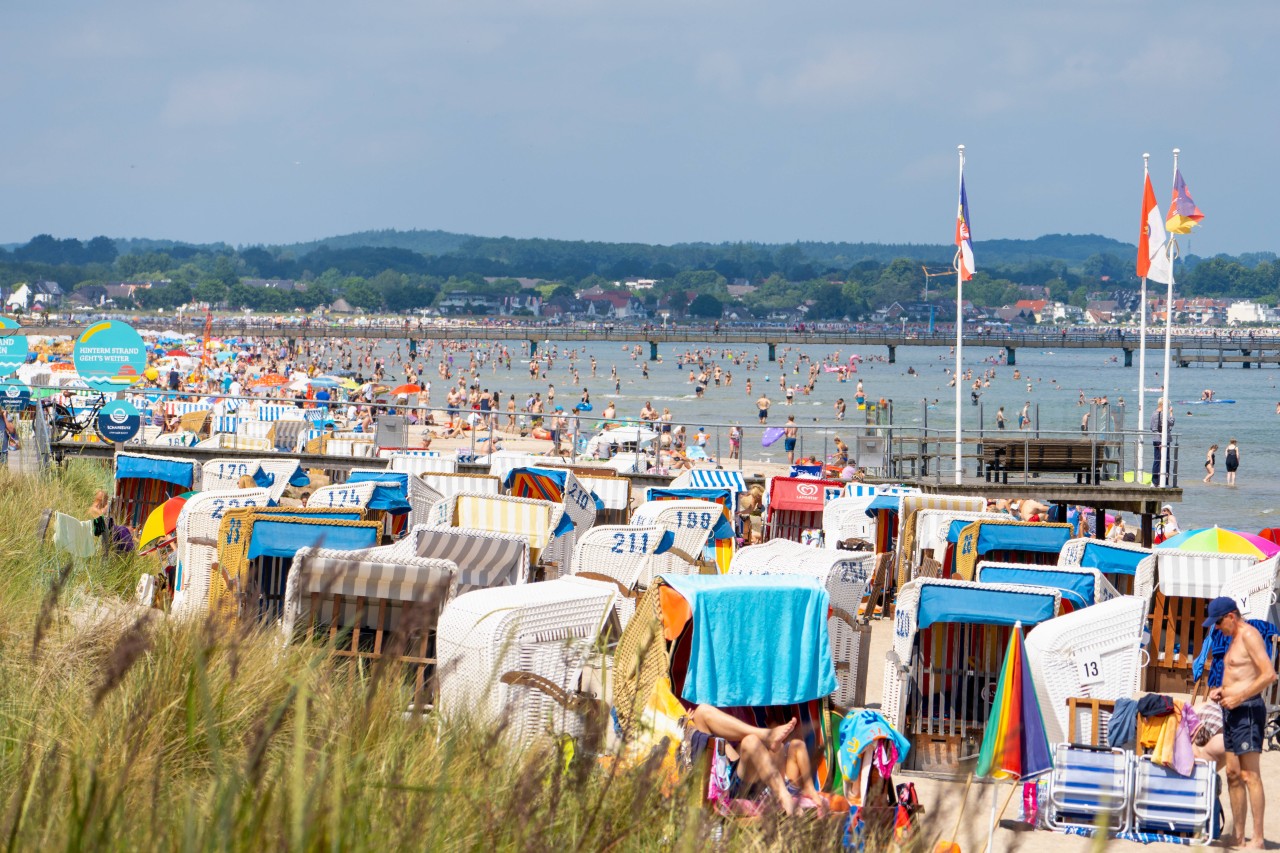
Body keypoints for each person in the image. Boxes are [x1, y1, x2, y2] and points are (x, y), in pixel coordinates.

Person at [1205, 597, 1277, 848]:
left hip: (1247, 710)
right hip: (1231, 711)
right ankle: (1237, 836)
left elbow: (1268, 674)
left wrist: (1238, 696)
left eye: (1218, 622)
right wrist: (1222, 691)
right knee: (1233, 774)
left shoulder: (1249, 635)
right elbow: (1239, 674)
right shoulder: (1233, 638)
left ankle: (1257, 839)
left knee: (1250, 775)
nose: (1216, 628)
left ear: (1231, 617)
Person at [686, 705, 824, 816]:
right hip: (731, 782)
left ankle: (767, 736)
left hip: (740, 774)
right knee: (751, 741)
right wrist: (687, 728)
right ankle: (766, 737)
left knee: (701, 713)